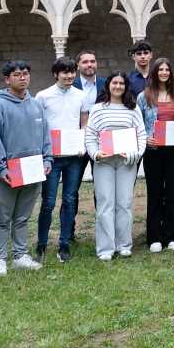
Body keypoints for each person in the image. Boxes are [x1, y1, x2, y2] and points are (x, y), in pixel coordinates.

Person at [0, 60, 52, 277]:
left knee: (23, 217)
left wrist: (47, 160)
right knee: (2, 217)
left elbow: (45, 136)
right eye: (16, 74)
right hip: (7, 172)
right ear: (7, 79)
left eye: (25, 73)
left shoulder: (36, 105)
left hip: (32, 170)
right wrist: (0, 168)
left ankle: (21, 255)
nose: (22, 77)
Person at [85, 71, 147, 261]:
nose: (118, 86)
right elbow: (90, 136)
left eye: (121, 83)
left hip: (126, 162)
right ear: (108, 85)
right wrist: (96, 153)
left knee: (124, 203)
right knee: (105, 203)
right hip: (104, 162)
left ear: (126, 86)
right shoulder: (97, 109)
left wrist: (133, 154)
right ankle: (105, 248)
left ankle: (124, 245)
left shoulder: (133, 108)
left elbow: (141, 136)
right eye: (114, 83)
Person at [35, 57, 87, 263]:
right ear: (56, 74)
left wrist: (83, 144)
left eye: (72, 72)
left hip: (74, 157)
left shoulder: (81, 96)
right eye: (65, 72)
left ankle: (64, 244)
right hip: (52, 158)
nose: (69, 76)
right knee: (48, 202)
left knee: (69, 200)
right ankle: (41, 244)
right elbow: (39, 126)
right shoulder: (43, 96)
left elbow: (84, 123)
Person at [137, 58, 174, 253]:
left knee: (172, 193)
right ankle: (154, 237)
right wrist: (145, 140)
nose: (164, 73)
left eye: (167, 69)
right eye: (161, 69)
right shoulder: (144, 96)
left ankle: (171, 236)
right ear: (155, 73)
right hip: (154, 151)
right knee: (155, 193)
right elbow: (139, 125)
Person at [71, 49, 106, 237]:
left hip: (100, 144)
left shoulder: (105, 84)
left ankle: (103, 229)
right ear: (78, 66)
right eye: (85, 62)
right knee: (72, 189)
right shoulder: (71, 85)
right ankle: (69, 232)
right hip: (76, 144)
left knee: (100, 188)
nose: (89, 65)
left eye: (92, 61)